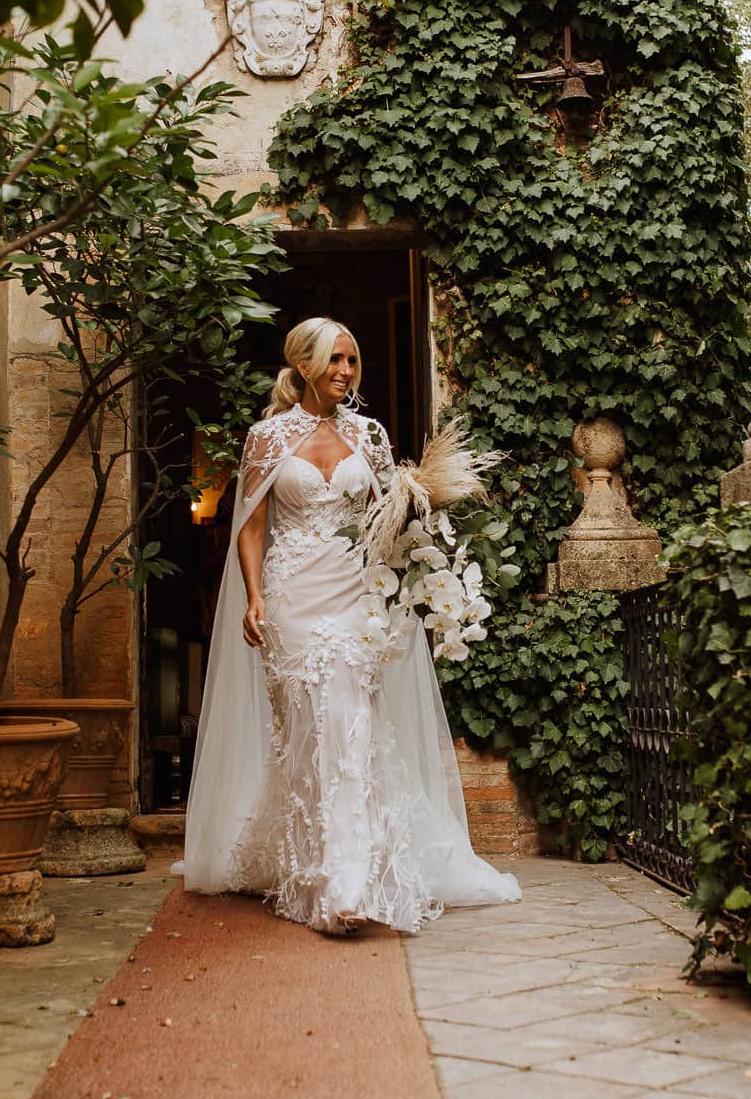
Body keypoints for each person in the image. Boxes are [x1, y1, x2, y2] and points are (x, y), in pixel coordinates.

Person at [177, 317, 521, 934]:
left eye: (353, 362)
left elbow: (386, 519)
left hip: (358, 598)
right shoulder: (266, 437)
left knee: (349, 722)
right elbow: (251, 527)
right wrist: (254, 598)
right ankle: (315, 861)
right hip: (291, 597)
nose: (345, 371)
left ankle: (347, 880)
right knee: (310, 730)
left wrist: (422, 521)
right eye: (335, 360)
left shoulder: (372, 436)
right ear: (305, 365)